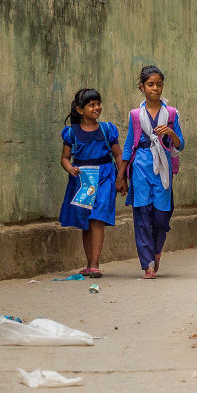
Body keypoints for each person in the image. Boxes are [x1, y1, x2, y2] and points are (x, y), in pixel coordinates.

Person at [115, 66, 185, 279]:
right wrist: (121, 175)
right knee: (142, 215)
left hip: (163, 168)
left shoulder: (171, 113)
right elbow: (129, 145)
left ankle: (156, 251)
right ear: (142, 87)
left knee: (161, 217)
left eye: (159, 84)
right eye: (150, 84)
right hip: (140, 167)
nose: (155, 88)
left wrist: (170, 132)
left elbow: (180, 145)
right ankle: (148, 264)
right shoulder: (135, 115)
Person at [59, 88, 125, 279]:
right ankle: (89, 265)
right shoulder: (71, 133)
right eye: (91, 105)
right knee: (86, 221)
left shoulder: (107, 129)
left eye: (98, 104)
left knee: (98, 218)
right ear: (80, 110)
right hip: (83, 180)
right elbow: (64, 158)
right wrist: (70, 168)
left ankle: (95, 265)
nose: (97, 108)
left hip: (105, 177)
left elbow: (118, 154)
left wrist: (121, 177)